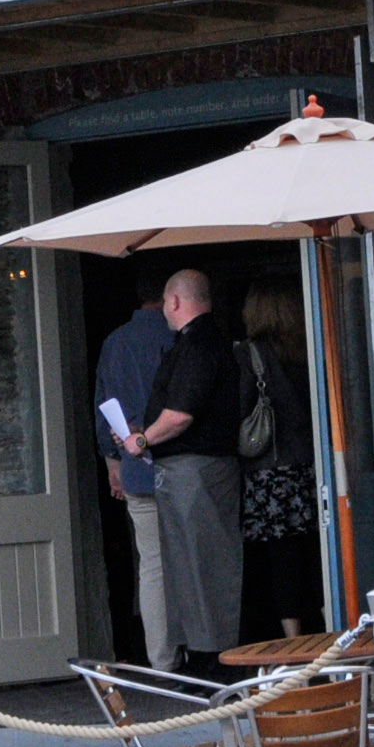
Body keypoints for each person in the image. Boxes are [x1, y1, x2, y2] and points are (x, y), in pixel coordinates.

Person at [120, 267, 241, 676]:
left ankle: (213, 663)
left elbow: (180, 415)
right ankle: (203, 658)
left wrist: (142, 439)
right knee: (188, 567)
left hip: (197, 471)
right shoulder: (201, 341)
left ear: (173, 301)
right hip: (190, 471)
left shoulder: (199, 345)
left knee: (201, 565)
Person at [93, 277, 177, 670]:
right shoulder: (177, 337)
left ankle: (161, 658)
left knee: (152, 566)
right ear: (169, 297)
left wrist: (113, 463)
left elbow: (103, 409)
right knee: (193, 564)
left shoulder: (115, 342)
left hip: (136, 470)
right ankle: (201, 648)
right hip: (181, 464)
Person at [235, 283, 322, 641]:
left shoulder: (248, 354)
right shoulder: (309, 349)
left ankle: (292, 636)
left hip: (269, 471)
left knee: (280, 556)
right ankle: (329, 621)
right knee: (314, 550)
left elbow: (240, 407)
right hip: (309, 465)